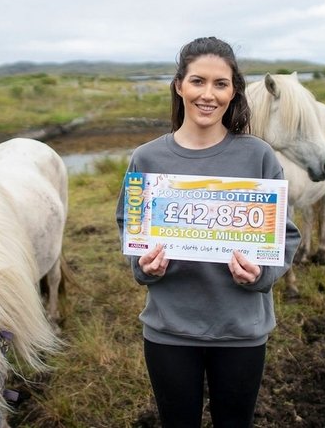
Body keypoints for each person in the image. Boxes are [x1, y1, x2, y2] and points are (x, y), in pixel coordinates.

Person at [115, 36, 301, 428]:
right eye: (198, 81)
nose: (208, 94)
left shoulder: (258, 156)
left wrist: (262, 274)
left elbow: (285, 235)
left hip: (241, 331)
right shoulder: (147, 158)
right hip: (168, 330)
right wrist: (142, 265)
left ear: (234, 92)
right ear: (179, 85)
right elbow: (129, 226)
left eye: (221, 84)